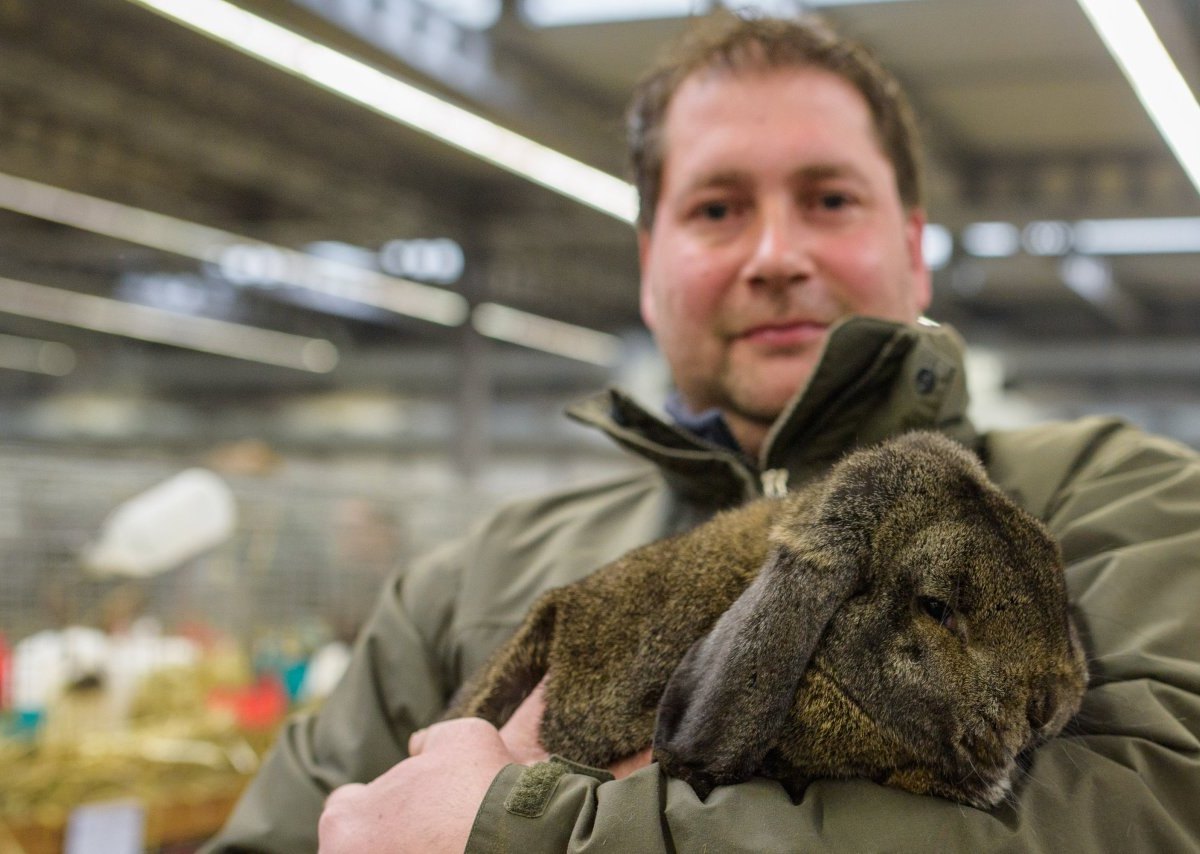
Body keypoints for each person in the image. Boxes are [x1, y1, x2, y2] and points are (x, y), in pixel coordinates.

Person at [205, 13, 1200, 853]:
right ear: (652, 263)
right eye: (718, 207)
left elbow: (1154, 804)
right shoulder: (460, 591)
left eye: (830, 198)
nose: (776, 253)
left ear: (910, 244)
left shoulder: (1122, 500)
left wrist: (527, 829)